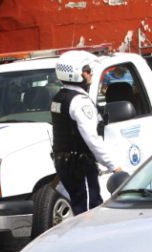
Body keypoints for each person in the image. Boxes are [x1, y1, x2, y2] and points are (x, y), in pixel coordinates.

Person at [51, 50, 122, 215]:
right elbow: (92, 139)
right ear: (75, 74)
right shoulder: (79, 102)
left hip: (65, 163)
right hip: (79, 166)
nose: (90, 74)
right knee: (90, 211)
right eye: (87, 71)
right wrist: (114, 166)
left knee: (79, 208)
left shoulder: (59, 97)